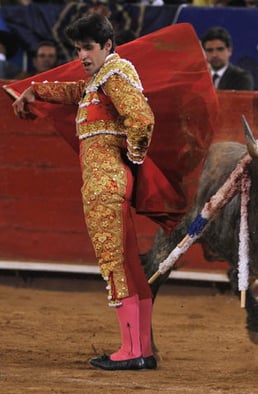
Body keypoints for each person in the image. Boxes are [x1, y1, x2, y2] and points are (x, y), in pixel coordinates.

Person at [12, 12, 157, 372]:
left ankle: (132, 351)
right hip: (107, 182)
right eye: (78, 49)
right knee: (127, 264)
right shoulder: (101, 80)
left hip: (105, 183)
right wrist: (36, 90)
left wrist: (133, 156)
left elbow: (142, 119)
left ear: (108, 45)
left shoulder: (115, 75)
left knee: (114, 264)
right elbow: (75, 90)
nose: (82, 56)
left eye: (88, 48)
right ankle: (141, 348)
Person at [201, 26, 255, 90]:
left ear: (229, 51)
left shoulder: (242, 78)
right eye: (210, 50)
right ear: (204, 52)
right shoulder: (199, 78)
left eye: (220, 49)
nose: (214, 55)